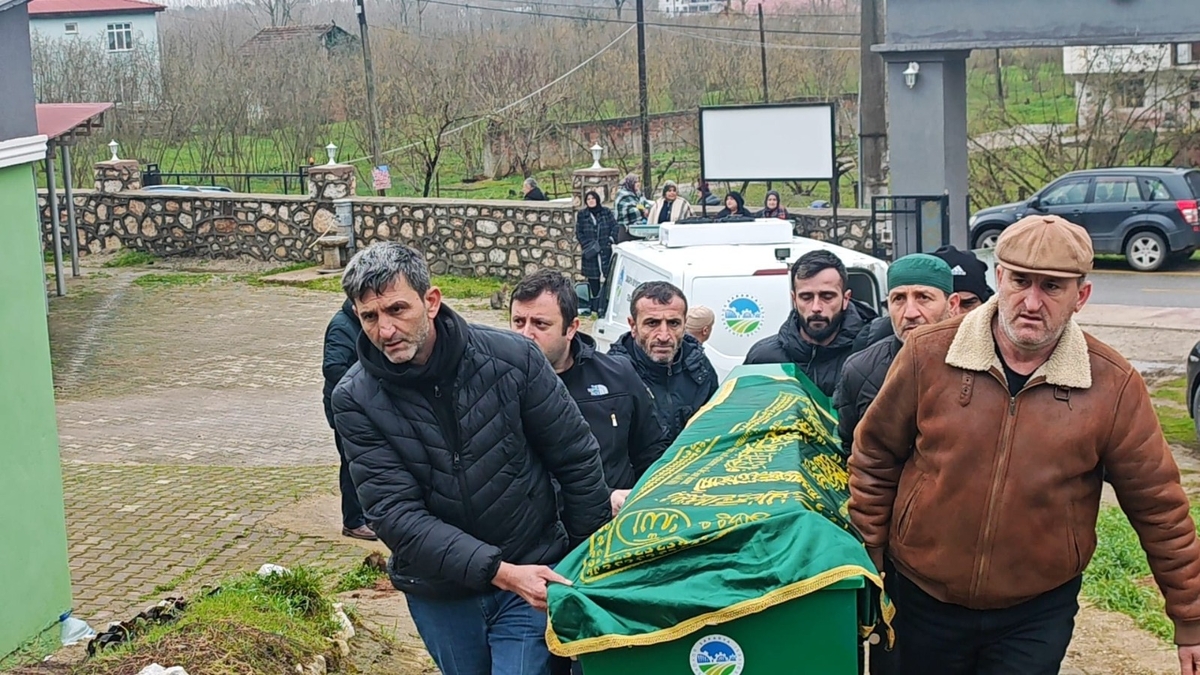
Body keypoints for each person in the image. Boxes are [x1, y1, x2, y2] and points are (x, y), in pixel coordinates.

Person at [849, 215, 1200, 675]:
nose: (1031, 301)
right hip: (921, 598)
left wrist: (1190, 620)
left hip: (1035, 613)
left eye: (1052, 287)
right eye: (1020, 281)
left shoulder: (1113, 385)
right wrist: (870, 559)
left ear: (1081, 296)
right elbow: (874, 456)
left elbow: (1159, 507)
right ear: (999, 278)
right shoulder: (928, 354)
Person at [331, 242, 610, 675]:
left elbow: (575, 458)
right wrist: (497, 570)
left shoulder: (513, 359)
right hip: (439, 591)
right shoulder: (355, 398)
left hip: (531, 568)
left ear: (431, 301)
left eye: (397, 310)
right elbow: (394, 514)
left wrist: (585, 560)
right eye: (369, 317)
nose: (385, 330)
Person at [510, 270, 671, 518]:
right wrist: (603, 497)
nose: (526, 334)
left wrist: (643, 498)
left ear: (572, 328)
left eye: (540, 324)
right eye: (519, 322)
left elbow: (652, 450)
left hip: (614, 527)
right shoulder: (496, 385)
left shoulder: (617, 375)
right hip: (538, 537)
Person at [833, 254, 960, 459]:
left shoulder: (982, 364)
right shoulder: (859, 370)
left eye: (923, 297)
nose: (910, 312)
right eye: (898, 299)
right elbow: (853, 448)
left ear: (952, 305)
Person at [744, 249, 877, 397]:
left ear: (846, 299)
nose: (816, 308)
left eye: (827, 296)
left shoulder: (872, 355)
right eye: (806, 297)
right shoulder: (763, 359)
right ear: (794, 299)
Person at [608, 281, 719, 443]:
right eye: (652, 323)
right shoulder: (612, 376)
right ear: (633, 325)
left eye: (673, 323)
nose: (664, 336)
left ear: (684, 324)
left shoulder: (699, 367)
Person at [851, 245, 994, 351]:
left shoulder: (1006, 353)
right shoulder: (868, 350)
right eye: (900, 298)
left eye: (967, 304)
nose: (956, 313)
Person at [321, 299, 376, 541]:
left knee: (368, 461)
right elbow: (332, 367)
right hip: (345, 408)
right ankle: (353, 521)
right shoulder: (342, 326)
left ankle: (368, 514)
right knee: (352, 462)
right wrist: (363, 383)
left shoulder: (363, 324)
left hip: (364, 406)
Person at [575, 190, 616, 315]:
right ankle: (596, 304)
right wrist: (587, 245)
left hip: (605, 249)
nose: (591, 201)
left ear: (597, 199)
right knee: (593, 278)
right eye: (588, 199)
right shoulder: (582, 215)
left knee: (608, 276)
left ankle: (606, 303)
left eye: (593, 198)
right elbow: (579, 232)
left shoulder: (606, 212)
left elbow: (614, 226)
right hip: (591, 252)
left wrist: (610, 239)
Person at [614, 174, 645, 242]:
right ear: (630, 183)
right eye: (635, 182)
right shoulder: (622, 195)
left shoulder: (638, 193)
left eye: (639, 182)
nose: (638, 184)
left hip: (639, 230)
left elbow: (644, 203)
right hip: (625, 230)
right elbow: (627, 212)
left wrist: (645, 209)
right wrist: (642, 211)